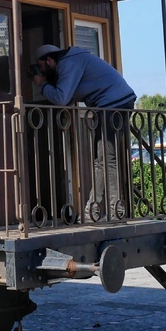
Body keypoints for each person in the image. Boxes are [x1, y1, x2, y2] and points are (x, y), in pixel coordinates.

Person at [31, 44, 137, 218]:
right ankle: (95, 209)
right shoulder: (74, 60)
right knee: (101, 160)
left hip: (112, 106)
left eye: (41, 66)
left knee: (106, 160)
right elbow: (70, 92)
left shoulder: (68, 63)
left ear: (50, 60)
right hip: (114, 104)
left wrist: (42, 84)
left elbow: (61, 98)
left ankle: (113, 210)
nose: (41, 70)